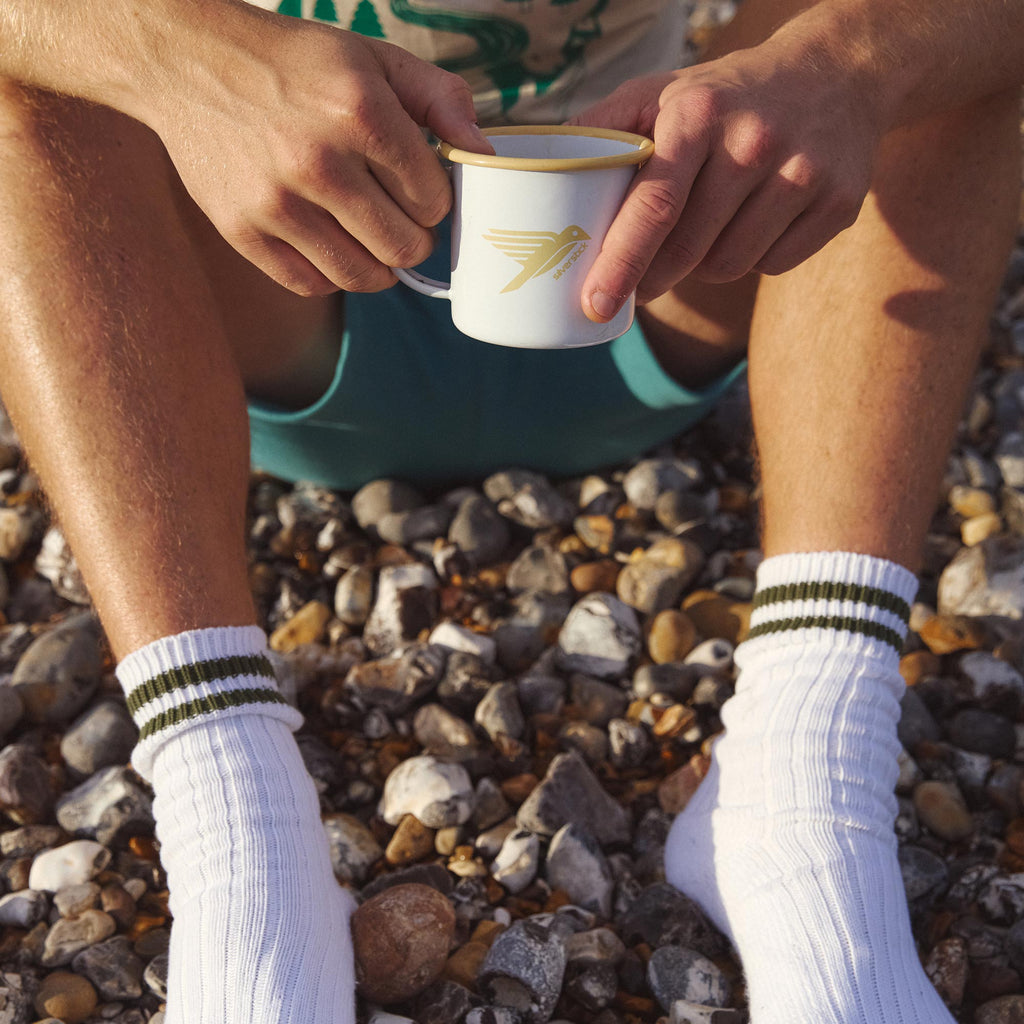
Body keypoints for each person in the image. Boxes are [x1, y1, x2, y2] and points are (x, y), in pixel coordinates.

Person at [0, 1, 1020, 1023]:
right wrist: (181, 58)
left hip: (660, 263)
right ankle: (236, 827)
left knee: (907, 40)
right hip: (264, 295)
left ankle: (807, 777)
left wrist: (846, 63)